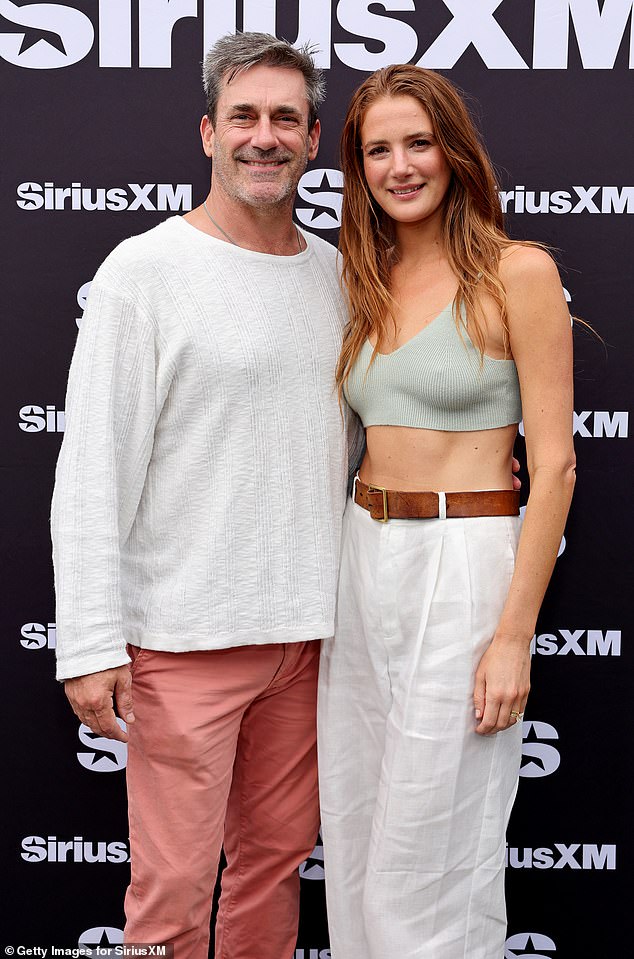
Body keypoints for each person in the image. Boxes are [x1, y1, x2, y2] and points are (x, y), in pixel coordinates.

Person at [51, 32, 353, 959]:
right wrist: (91, 641)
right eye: (245, 117)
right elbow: (93, 468)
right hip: (184, 639)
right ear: (208, 132)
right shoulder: (144, 272)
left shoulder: (338, 274)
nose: (266, 137)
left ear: (312, 140)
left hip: (310, 637)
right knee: (173, 892)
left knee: (272, 867)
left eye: (286, 120)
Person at [317, 65, 575, 959]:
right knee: (353, 841)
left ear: (454, 151)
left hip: (464, 560)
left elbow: (556, 466)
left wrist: (513, 637)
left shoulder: (519, 272)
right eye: (377, 149)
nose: (400, 165)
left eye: (417, 142)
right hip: (360, 558)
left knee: (432, 859)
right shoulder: (361, 276)